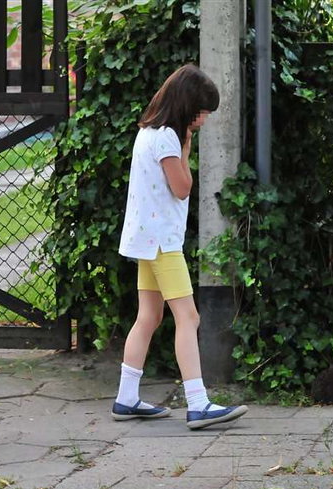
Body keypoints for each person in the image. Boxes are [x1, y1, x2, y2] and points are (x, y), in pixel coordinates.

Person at [112, 64, 249, 430]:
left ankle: (126, 397)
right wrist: (187, 147)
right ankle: (199, 403)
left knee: (149, 317)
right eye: (202, 112)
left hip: (147, 239)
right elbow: (182, 187)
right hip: (162, 243)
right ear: (188, 105)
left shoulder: (147, 132)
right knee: (188, 318)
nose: (203, 120)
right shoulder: (168, 139)